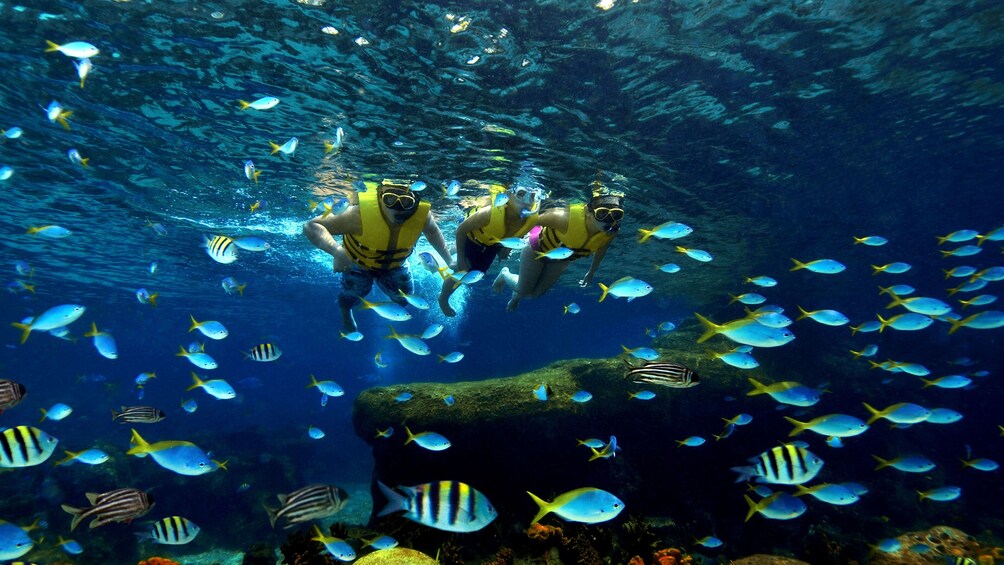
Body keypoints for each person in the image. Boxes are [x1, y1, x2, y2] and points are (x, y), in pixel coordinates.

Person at [303, 181, 452, 333]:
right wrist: (337, 252)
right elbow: (311, 225)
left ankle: (386, 313)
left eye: (406, 201)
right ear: (379, 197)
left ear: (415, 201)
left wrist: (449, 260)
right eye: (390, 199)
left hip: (396, 265)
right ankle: (346, 313)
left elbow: (433, 233)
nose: (398, 207)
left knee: (404, 300)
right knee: (349, 298)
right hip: (358, 263)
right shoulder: (358, 215)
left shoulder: (423, 217)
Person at [493, 184, 623, 312]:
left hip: (561, 260)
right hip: (536, 249)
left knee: (536, 294)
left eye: (616, 215)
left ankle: (516, 297)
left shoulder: (610, 232)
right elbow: (529, 221)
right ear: (589, 212)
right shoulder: (563, 219)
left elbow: (601, 249)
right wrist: (508, 245)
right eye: (602, 214)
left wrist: (591, 273)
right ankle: (505, 274)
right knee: (524, 290)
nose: (609, 220)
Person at [438, 184, 544, 316]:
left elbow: (519, 234)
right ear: (509, 194)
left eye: (533, 196)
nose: (527, 201)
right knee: (463, 271)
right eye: (521, 194)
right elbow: (461, 231)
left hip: (493, 244)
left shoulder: (530, 219)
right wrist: (460, 258)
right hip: (472, 240)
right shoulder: (488, 213)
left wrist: (506, 248)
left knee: (479, 272)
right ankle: (443, 298)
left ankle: (454, 252)